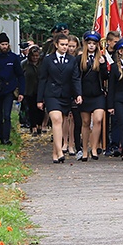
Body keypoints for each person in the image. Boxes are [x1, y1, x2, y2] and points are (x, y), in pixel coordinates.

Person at [37, 33, 82, 163]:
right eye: (62, 45)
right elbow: (43, 79)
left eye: (66, 45)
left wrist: (78, 94)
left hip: (66, 95)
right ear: (56, 45)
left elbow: (75, 78)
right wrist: (40, 99)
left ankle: (55, 153)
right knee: (56, 120)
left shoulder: (72, 60)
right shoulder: (48, 59)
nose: (65, 47)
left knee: (61, 122)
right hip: (51, 94)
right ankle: (60, 151)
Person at [0, 32, 25, 145]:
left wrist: (21, 91)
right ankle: (1, 135)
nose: (4, 46)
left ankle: (6, 139)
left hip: (9, 90)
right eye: (2, 44)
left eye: (6, 44)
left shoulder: (13, 58)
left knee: (7, 115)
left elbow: (20, 75)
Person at [78, 31, 109, 161]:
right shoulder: (79, 59)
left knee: (98, 120)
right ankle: (85, 150)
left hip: (98, 94)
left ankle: (94, 148)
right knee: (85, 122)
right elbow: (76, 78)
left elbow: (106, 77)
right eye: (89, 43)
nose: (91, 46)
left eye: (94, 44)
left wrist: (102, 65)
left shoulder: (101, 58)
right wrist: (77, 94)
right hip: (85, 95)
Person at [22, 45, 44, 135]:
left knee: (41, 109)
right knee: (31, 109)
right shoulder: (25, 64)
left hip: (40, 89)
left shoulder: (42, 64)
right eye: (33, 56)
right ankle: (33, 126)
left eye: (37, 56)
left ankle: (39, 124)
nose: (35, 58)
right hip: (29, 89)